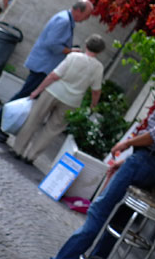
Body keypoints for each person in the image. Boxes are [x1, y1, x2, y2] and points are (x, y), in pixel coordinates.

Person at [19, 54, 155, 259]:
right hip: (150, 162)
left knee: (99, 211)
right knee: (115, 222)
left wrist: (127, 144)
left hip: (147, 160)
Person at [0, 0, 94, 142]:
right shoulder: (64, 21)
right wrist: (70, 50)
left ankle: (2, 124)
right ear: (79, 11)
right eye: (87, 14)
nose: (87, 18)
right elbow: (52, 44)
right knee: (24, 96)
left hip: (43, 65)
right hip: (43, 66)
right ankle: (0, 123)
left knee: (25, 95)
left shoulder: (65, 19)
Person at [11, 34, 106, 165]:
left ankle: (18, 149)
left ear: (86, 44)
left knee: (34, 119)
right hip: (72, 101)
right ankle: (31, 156)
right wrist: (93, 106)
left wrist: (37, 91)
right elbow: (96, 90)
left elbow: (54, 75)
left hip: (53, 91)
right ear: (100, 51)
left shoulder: (73, 56)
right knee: (52, 130)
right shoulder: (98, 67)